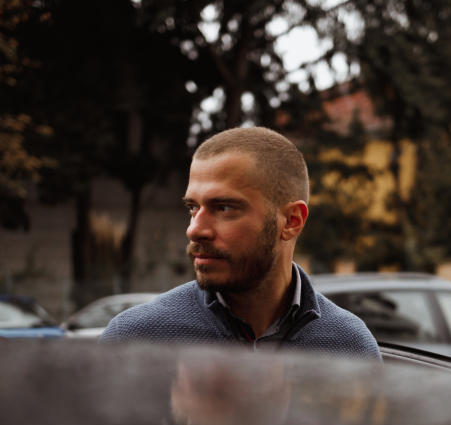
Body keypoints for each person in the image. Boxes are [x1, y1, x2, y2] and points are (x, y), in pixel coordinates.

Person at [100, 126, 380, 359]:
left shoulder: (349, 346)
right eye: (193, 208)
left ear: (292, 221)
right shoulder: (135, 339)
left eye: (224, 208)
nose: (195, 230)